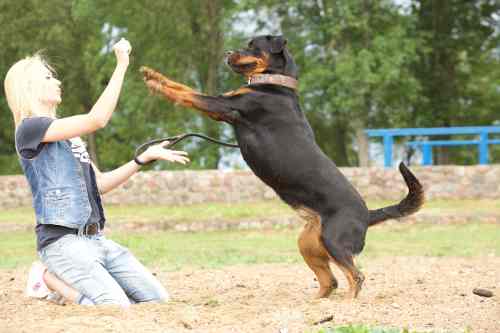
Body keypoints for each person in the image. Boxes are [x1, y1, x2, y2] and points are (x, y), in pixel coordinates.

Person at [4, 38, 190, 306]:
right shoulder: (29, 129)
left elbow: (100, 183)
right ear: (29, 87)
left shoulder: (68, 137)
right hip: (62, 244)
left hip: (96, 240)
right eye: (48, 77)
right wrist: (121, 65)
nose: (57, 82)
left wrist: (142, 159)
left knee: (157, 300)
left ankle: (67, 283)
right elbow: (97, 119)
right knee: (113, 307)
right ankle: (46, 278)